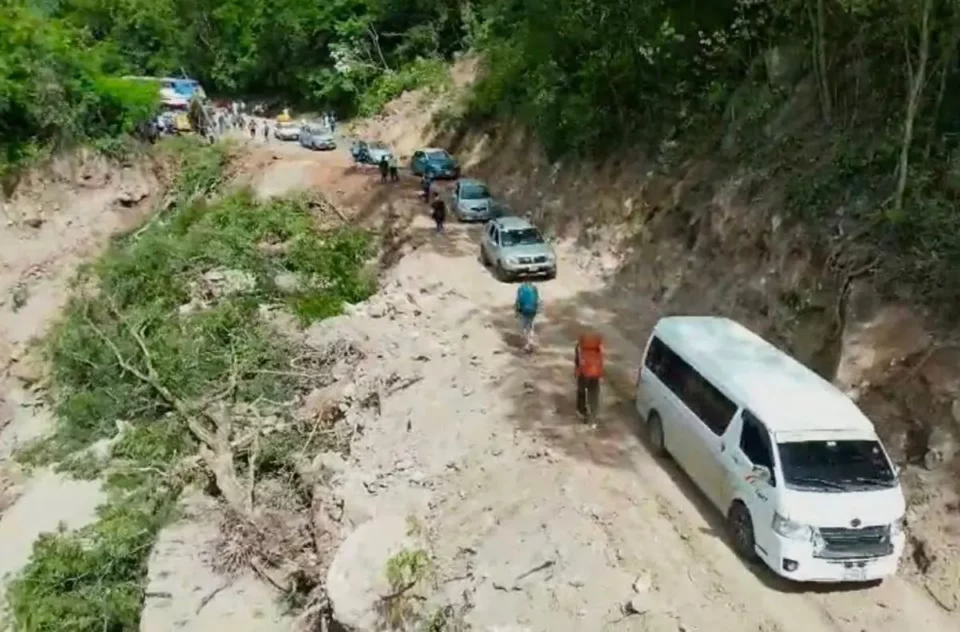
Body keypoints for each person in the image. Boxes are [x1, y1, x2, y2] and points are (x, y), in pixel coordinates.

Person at [574, 332, 604, 423]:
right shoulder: (598, 336)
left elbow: (578, 351)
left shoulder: (583, 341)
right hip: (594, 365)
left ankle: (582, 411)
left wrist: (577, 367)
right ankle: (593, 414)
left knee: (582, 388)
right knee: (593, 391)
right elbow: (601, 350)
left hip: (585, 365)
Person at [514, 281, 539, 352]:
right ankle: (531, 341)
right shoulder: (534, 288)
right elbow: (537, 299)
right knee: (531, 326)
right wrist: (537, 309)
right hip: (532, 310)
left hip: (524, 311)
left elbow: (518, 300)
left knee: (525, 327)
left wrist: (517, 311)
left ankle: (527, 345)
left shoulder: (521, 289)